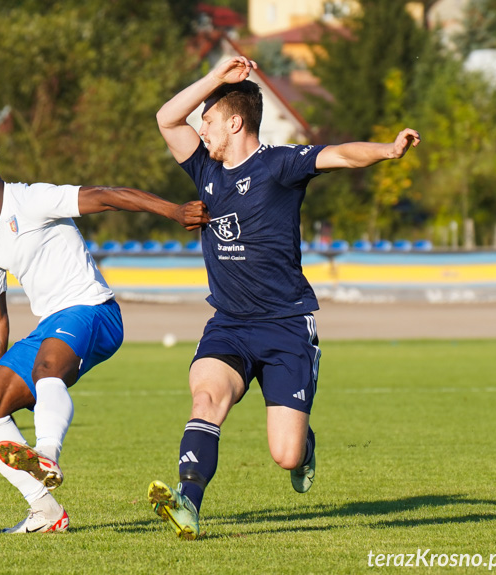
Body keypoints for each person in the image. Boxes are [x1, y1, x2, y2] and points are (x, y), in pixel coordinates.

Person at [147, 57, 421, 539]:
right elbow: (166, 118)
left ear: (235, 122)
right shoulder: (204, 169)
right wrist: (215, 79)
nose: (200, 128)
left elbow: (339, 154)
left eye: (208, 120)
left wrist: (388, 150)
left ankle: (305, 447)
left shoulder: (279, 165)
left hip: (286, 326)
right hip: (229, 323)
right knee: (206, 397)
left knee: (285, 455)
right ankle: (187, 501)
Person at [0, 135, 209, 534]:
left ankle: (45, 453)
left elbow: (108, 196)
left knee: (48, 367)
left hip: (93, 310)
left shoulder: (32, 199)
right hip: (52, 325)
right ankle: (45, 511)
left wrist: (175, 211)